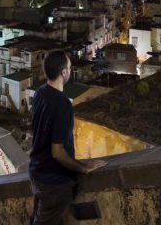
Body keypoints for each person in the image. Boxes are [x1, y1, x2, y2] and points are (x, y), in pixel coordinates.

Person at [29, 51, 107, 224]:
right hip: (53, 182)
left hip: (37, 172)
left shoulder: (40, 93)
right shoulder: (63, 103)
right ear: (63, 72)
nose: (70, 71)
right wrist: (82, 168)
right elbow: (57, 152)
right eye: (70, 68)